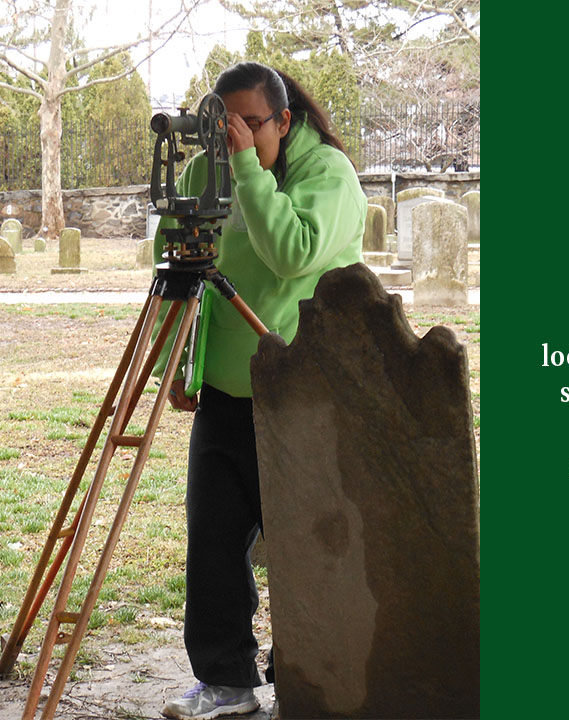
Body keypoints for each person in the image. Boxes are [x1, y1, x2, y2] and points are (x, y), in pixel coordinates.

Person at [152, 62, 367, 719]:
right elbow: (177, 269)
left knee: (304, 546)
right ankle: (227, 682)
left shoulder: (326, 174)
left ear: (285, 121)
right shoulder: (199, 175)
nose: (236, 135)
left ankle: (308, 681)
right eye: (225, 124)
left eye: (251, 123)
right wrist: (180, 367)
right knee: (213, 539)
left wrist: (245, 169)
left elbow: (292, 254)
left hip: (305, 392)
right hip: (225, 389)